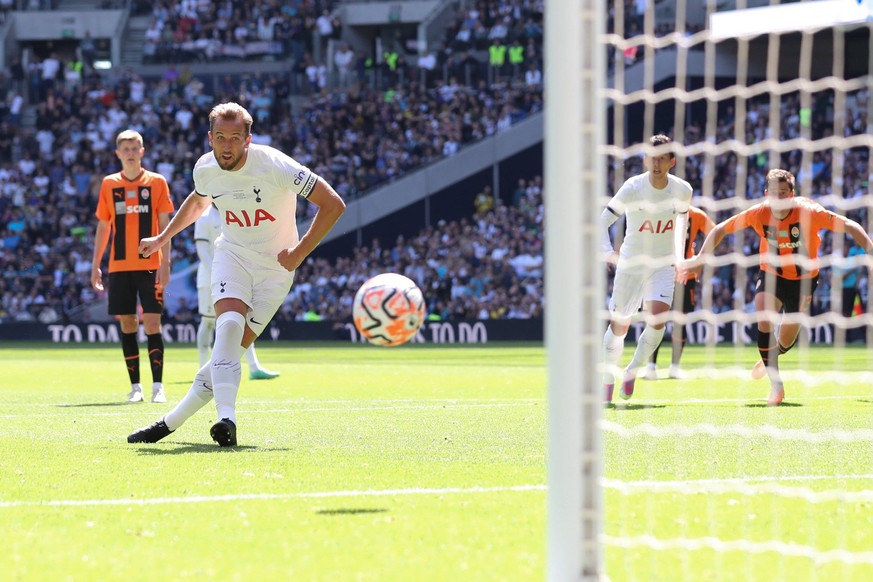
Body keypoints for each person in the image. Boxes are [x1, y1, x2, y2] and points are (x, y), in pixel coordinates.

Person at [128, 102, 345, 447]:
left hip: (277, 269)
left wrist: (299, 253)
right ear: (210, 138)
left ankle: (168, 424)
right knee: (228, 326)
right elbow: (199, 203)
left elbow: (333, 203)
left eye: (234, 138)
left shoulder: (275, 165)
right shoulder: (205, 168)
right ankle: (226, 420)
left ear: (248, 139)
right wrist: (161, 238)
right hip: (233, 255)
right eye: (220, 138)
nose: (226, 145)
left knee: (226, 353)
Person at [680, 169, 873, 405]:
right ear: (766, 194)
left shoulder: (809, 212)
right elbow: (720, 229)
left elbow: (850, 225)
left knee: (786, 341)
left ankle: (771, 354)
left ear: (792, 194)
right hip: (771, 274)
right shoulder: (758, 213)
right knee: (763, 315)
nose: (778, 198)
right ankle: (776, 385)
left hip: (803, 281)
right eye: (774, 193)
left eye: (783, 193)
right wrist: (699, 259)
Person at [601, 134, 692, 402]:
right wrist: (607, 254)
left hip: (663, 264)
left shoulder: (682, 190)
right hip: (631, 264)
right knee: (619, 326)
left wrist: (680, 258)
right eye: (652, 158)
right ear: (645, 159)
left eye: (662, 158)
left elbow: (682, 224)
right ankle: (607, 377)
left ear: (671, 162)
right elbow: (602, 221)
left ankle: (632, 371)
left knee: (657, 320)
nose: (656, 163)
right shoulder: (632, 188)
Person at [91, 129, 174, 404]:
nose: (130, 152)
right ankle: (136, 387)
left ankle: (158, 387)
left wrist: (165, 263)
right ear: (118, 153)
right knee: (128, 323)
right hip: (119, 266)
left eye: (134, 148)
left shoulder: (157, 182)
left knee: (152, 322)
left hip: (150, 264)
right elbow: (104, 226)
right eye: (125, 149)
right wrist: (96, 265)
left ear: (142, 151)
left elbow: (166, 227)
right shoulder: (109, 184)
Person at [195, 203, 281, 379]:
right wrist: (217, 275)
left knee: (240, 320)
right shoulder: (204, 218)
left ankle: (254, 367)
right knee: (208, 322)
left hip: (234, 277)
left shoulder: (234, 210)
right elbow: (202, 252)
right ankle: (202, 368)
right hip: (209, 279)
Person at [645, 205, 715, 380]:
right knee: (656, 319)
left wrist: (699, 259)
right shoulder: (659, 211)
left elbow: (715, 233)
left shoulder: (697, 214)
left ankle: (674, 367)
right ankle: (651, 365)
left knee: (680, 321)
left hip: (685, 274)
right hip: (661, 272)